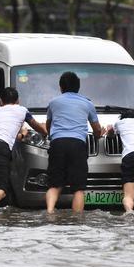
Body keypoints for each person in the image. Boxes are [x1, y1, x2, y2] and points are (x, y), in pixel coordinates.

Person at [0, 87, 47, 214]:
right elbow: (38, 128)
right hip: (0, 148)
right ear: (18, 100)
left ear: (1, 101)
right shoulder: (22, 110)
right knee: (2, 190)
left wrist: (21, 134)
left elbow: (5, 130)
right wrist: (45, 131)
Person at [45, 71, 103, 214]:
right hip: (77, 144)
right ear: (78, 87)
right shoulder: (87, 103)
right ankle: (77, 219)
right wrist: (97, 136)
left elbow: (48, 125)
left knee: (54, 184)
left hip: (57, 143)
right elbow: (96, 129)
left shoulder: (53, 102)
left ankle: (50, 212)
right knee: (78, 188)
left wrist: (52, 135)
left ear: (61, 87)